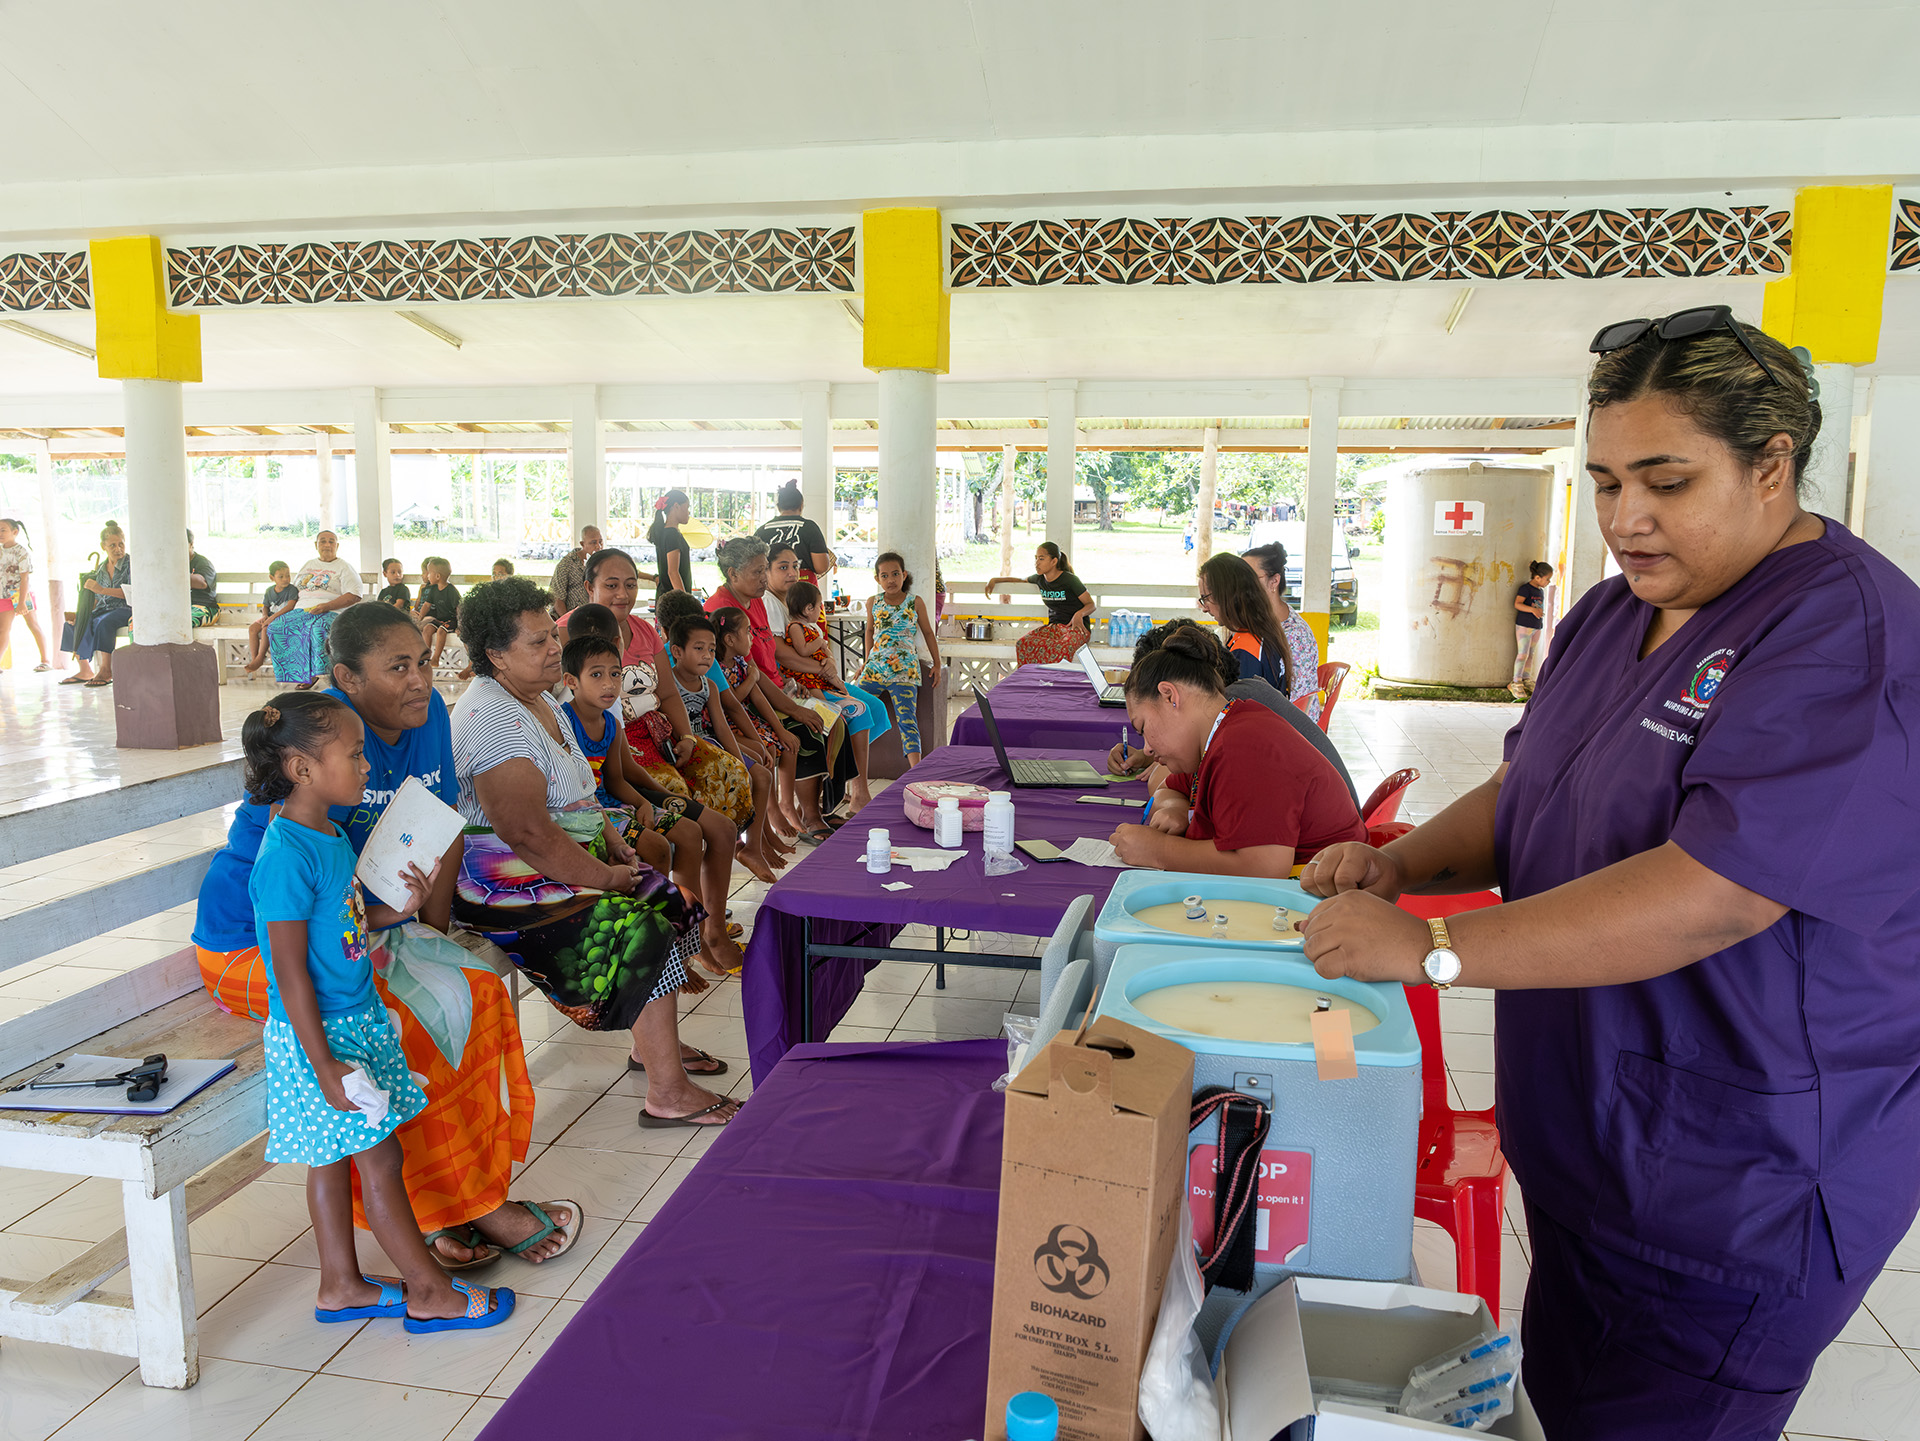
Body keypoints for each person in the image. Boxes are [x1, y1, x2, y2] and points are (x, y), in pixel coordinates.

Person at [1297, 307, 1920, 1440]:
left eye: (1667, 481)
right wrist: (1399, 864)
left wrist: (1437, 950)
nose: (1626, 518)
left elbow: (1718, 889)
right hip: (1597, 1146)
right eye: (1606, 480)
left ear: (1773, 467)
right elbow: (1534, 787)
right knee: (1570, 1402)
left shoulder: (1842, 635)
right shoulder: (1608, 613)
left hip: (1734, 1188)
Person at [198, 606, 572, 1266]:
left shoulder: (424, 720)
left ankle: (474, 1190)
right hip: (255, 946)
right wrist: (390, 940)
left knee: (476, 991)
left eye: (423, 661)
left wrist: (430, 933)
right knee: (399, 1018)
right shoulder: (313, 746)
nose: (419, 680)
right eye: (397, 666)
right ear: (346, 676)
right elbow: (286, 924)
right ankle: (445, 1212)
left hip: (360, 925)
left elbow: (441, 822)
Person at [240, 691, 514, 1332]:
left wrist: (399, 908)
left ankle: (340, 1284)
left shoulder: (327, 832)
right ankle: (430, 1292)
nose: (367, 766)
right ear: (303, 768)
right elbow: (288, 970)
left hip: (349, 1021)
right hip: (324, 1037)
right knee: (381, 1161)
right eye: (354, 753)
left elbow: (344, 925)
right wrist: (327, 1064)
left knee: (331, 1161)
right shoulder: (285, 856)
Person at [450, 577, 739, 1125]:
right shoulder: (491, 719)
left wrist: (616, 849)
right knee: (638, 923)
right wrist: (604, 877)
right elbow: (527, 833)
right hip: (505, 877)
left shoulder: (539, 699)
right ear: (495, 655)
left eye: (549, 636)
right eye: (537, 642)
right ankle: (667, 1094)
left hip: (561, 854)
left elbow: (582, 790)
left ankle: (650, 1050)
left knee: (669, 901)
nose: (554, 648)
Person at [558, 558, 748, 969]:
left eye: (630, 583)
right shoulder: (565, 710)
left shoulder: (612, 704)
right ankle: (674, 953)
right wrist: (650, 799)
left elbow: (623, 768)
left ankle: (708, 932)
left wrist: (660, 789)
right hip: (606, 801)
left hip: (637, 773)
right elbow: (590, 785)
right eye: (612, 584)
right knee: (675, 835)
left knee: (720, 826)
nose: (623, 593)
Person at [1107, 624, 1364, 876]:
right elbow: (1167, 788)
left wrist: (1157, 849)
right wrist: (1176, 808)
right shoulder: (1218, 734)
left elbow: (1264, 867)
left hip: (1324, 894)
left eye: (1143, 729)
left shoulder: (1244, 744)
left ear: (1169, 696)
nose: (1148, 749)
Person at [705, 535, 858, 838]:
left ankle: (816, 810)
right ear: (733, 574)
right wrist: (792, 710)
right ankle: (802, 816)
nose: (764, 579)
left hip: (774, 691)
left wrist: (791, 684)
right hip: (744, 701)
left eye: (765, 570)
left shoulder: (757, 602)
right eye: (757, 572)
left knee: (834, 720)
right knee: (807, 730)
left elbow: (768, 660)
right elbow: (750, 675)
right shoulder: (722, 612)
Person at [765, 540, 887, 810]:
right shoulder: (769, 602)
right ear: (766, 570)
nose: (791, 573)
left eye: (795, 566)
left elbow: (820, 638)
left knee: (877, 709)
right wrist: (824, 669)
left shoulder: (796, 597)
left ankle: (844, 781)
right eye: (782, 567)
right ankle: (858, 792)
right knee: (858, 711)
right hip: (802, 682)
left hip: (820, 674)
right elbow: (782, 654)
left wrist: (830, 662)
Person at [667, 613, 785, 880]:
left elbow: (720, 726)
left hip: (710, 744)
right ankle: (733, 843)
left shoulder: (708, 685)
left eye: (711, 649)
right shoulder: (668, 683)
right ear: (676, 651)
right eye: (698, 649)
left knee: (761, 775)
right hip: (684, 750)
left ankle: (752, 847)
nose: (707, 656)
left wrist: (740, 762)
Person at [711, 604, 801, 835]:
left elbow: (759, 700)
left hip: (747, 720)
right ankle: (769, 810)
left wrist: (781, 729)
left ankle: (785, 803)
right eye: (748, 631)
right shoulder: (717, 668)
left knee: (790, 745)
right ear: (730, 639)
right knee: (767, 749)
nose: (752, 637)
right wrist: (752, 679)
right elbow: (731, 702)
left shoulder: (741, 663)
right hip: (728, 724)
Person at [859, 551, 939, 769]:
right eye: (884, 576)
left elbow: (928, 633)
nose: (890, 580)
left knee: (907, 720)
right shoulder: (873, 602)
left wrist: (938, 664)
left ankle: (916, 773)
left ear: (904, 575)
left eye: (895, 574)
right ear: (877, 579)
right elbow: (869, 632)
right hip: (874, 668)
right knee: (855, 711)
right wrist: (865, 663)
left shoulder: (915, 602)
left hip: (904, 671)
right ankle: (851, 776)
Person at [268, 530, 361, 687]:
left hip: (331, 610)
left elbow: (354, 595)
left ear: (337, 545)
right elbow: (292, 591)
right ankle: (301, 674)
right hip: (301, 609)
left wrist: (327, 606)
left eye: (331, 541)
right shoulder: (309, 565)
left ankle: (325, 675)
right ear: (316, 545)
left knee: (318, 629)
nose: (327, 544)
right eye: (322, 541)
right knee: (277, 626)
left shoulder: (344, 567)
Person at [1242, 541, 1324, 718]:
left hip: (1295, 728)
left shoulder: (1294, 634)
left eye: (1249, 578)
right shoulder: (1263, 621)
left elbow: (1294, 704)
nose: (1240, 586)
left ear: (1274, 581)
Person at [1198, 552, 1293, 697]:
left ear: (1227, 596)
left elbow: (1238, 710)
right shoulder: (1261, 631)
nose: (1204, 608)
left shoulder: (1247, 650)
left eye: (1206, 598)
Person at [985, 542, 1094, 666]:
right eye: (1036, 558)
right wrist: (994, 580)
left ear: (1054, 561)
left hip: (1076, 629)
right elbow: (1020, 580)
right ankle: (1031, 681)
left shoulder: (1069, 579)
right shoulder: (1039, 579)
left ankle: (1055, 682)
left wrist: (1079, 614)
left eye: (1041, 558)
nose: (1037, 562)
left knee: (1061, 648)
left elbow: (1091, 604)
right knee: (1023, 643)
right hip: (1054, 628)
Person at [60, 520, 131, 687]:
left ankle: (106, 670)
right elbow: (98, 600)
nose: (118, 548)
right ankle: (85, 670)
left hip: (126, 608)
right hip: (105, 609)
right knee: (73, 623)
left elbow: (132, 593)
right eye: (112, 545)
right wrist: (83, 614)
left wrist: (101, 590)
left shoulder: (132, 565)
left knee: (104, 622)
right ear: (103, 546)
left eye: (121, 544)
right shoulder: (101, 569)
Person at [754, 481, 835, 583]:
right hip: (803, 588)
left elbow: (754, 566)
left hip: (770, 589)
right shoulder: (809, 527)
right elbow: (821, 567)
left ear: (778, 507)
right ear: (801, 505)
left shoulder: (762, 530)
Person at [0, 518, 53, 672]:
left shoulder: (21, 552)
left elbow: (25, 578)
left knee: (33, 625)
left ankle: (45, 660)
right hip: (3, 595)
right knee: (3, 629)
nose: (0, 533)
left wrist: (22, 602)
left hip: (21, 594)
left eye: (3, 530)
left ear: (14, 532)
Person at [244, 562, 300, 675]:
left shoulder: (292, 590)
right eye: (281, 576)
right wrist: (265, 616)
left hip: (284, 618)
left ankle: (260, 657)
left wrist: (271, 619)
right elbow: (265, 606)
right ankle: (255, 659)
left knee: (266, 629)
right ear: (272, 577)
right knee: (253, 628)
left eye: (288, 575)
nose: (285, 579)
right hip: (270, 617)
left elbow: (290, 607)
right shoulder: (270, 591)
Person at [1511, 560, 1552, 697]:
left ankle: (1526, 679)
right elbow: (1517, 604)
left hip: (1536, 626)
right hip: (1524, 626)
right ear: (1537, 577)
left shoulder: (1540, 591)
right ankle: (1515, 682)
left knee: (1531, 654)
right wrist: (1532, 610)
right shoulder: (1525, 589)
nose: (1548, 582)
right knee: (1522, 654)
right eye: (1547, 579)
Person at [413, 557, 460, 669]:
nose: (428, 576)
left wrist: (460, 625)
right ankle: (426, 656)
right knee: (428, 628)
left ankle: (436, 658)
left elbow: (459, 608)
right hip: (439, 619)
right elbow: (426, 605)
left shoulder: (451, 590)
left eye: (429, 573)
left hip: (451, 620)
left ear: (438, 576)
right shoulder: (434, 589)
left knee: (441, 631)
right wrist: (420, 618)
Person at [648, 493, 694, 600]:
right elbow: (673, 572)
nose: (688, 512)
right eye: (687, 507)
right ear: (676, 506)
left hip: (666, 598)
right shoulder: (672, 535)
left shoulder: (665, 532)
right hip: (674, 602)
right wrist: (686, 601)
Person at [550, 526, 603, 615]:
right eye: (593, 543)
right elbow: (557, 598)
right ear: (582, 544)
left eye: (600, 542)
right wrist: (567, 621)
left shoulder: (603, 563)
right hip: (571, 618)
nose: (598, 546)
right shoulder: (567, 564)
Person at [187, 529, 219, 627]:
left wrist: (174, 575)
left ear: (191, 544)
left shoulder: (203, 563)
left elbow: (201, 583)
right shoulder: (171, 564)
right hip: (180, 607)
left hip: (205, 607)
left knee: (184, 621)